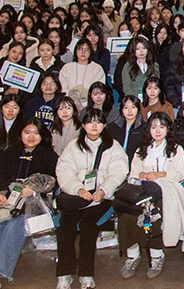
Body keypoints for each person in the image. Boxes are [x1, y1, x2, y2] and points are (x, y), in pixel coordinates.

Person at [55, 109, 128, 289]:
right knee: (65, 225)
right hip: (76, 196)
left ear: (104, 125)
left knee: (88, 225)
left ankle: (86, 274)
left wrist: (103, 190)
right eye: (90, 121)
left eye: (98, 122)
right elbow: (64, 171)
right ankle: (64, 273)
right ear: (83, 125)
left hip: (101, 197)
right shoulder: (74, 146)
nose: (94, 125)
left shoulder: (113, 147)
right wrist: (78, 189)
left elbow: (119, 172)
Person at [118, 112, 184, 280]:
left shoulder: (176, 149)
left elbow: (180, 174)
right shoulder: (142, 150)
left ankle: (157, 255)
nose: (157, 131)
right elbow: (133, 174)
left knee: (154, 214)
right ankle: (132, 255)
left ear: (168, 129)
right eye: (154, 127)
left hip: (167, 190)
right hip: (142, 191)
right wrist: (141, 175)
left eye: (162, 127)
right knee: (127, 215)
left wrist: (161, 174)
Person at [0, 118, 58, 286]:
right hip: (8, 200)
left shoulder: (49, 155)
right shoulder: (10, 153)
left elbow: (54, 181)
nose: (31, 137)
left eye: (36, 133)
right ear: (20, 134)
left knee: (14, 225)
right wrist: (1, 192)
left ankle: (2, 271)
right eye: (27, 132)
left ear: (42, 135)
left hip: (34, 203)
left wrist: (34, 189)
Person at [58, 39, 105, 110]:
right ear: (75, 51)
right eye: (80, 49)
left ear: (91, 52)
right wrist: (72, 99)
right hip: (69, 104)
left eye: (86, 50)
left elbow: (98, 89)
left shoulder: (97, 68)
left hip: (90, 105)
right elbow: (63, 88)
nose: (83, 52)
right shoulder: (67, 67)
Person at [108, 95, 146, 163]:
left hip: (136, 163)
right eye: (126, 108)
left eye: (133, 107)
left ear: (138, 109)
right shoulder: (113, 127)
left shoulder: (145, 127)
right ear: (121, 109)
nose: (129, 111)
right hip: (116, 163)